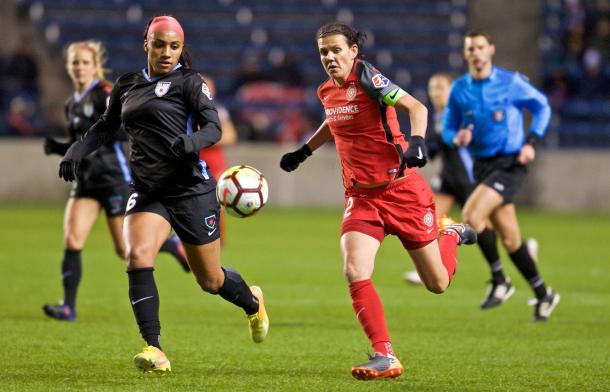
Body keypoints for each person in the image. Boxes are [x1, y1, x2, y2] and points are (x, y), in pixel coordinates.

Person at [57, 16, 269, 373]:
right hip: (147, 191)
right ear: (147, 44)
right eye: (160, 45)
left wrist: (192, 141)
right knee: (137, 255)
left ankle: (252, 302)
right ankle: (154, 348)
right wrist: (76, 151)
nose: (167, 52)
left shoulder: (190, 82)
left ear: (181, 48)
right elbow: (106, 127)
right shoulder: (127, 84)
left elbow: (215, 128)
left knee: (211, 280)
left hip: (190, 190)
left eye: (174, 46)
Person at [280, 22, 476, 381]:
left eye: (336, 50)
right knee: (355, 269)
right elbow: (333, 120)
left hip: (401, 192)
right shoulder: (326, 90)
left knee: (437, 283)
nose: (330, 57)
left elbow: (417, 107)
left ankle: (450, 235)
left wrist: (417, 141)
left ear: (353, 50)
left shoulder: (369, 78)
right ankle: (384, 354)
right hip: (361, 197)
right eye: (324, 51)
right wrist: (304, 151)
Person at [42, 40, 189, 322]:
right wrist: (61, 149)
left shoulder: (105, 94)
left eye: (85, 62)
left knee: (124, 249)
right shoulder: (71, 103)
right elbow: (81, 143)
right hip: (86, 181)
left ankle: (171, 243)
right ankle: (68, 306)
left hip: (111, 177)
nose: (80, 68)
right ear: (69, 67)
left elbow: (115, 130)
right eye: (75, 63)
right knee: (72, 239)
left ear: (96, 66)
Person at [442, 31, 560, 321]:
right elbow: (447, 128)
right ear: (465, 53)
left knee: (471, 214)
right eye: (471, 49)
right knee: (510, 239)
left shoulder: (511, 82)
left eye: (481, 47)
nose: (476, 53)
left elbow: (541, 106)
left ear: (491, 49)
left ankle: (499, 280)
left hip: (510, 163)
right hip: (482, 165)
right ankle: (544, 293)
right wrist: (458, 136)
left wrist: (532, 142)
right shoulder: (459, 90)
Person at [403, 74, 539, 303]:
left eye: (441, 88)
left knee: (494, 229)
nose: (436, 93)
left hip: (470, 181)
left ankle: (519, 257)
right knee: (427, 219)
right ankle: (430, 268)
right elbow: (437, 147)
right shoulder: (438, 116)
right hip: (450, 181)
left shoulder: (461, 112)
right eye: (433, 88)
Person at [199, 74, 238, 245]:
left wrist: (202, 139)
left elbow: (230, 136)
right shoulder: (183, 110)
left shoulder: (218, 111)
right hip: (191, 163)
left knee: (215, 203)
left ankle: (218, 240)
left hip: (213, 163)